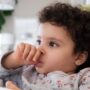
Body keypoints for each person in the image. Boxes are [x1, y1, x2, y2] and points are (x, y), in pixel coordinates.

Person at [0, 2, 90, 90]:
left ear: (79, 57)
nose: (39, 49)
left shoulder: (83, 79)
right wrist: (13, 60)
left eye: (52, 44)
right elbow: (2, 75)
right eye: (39, 41)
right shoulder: (28, 71)